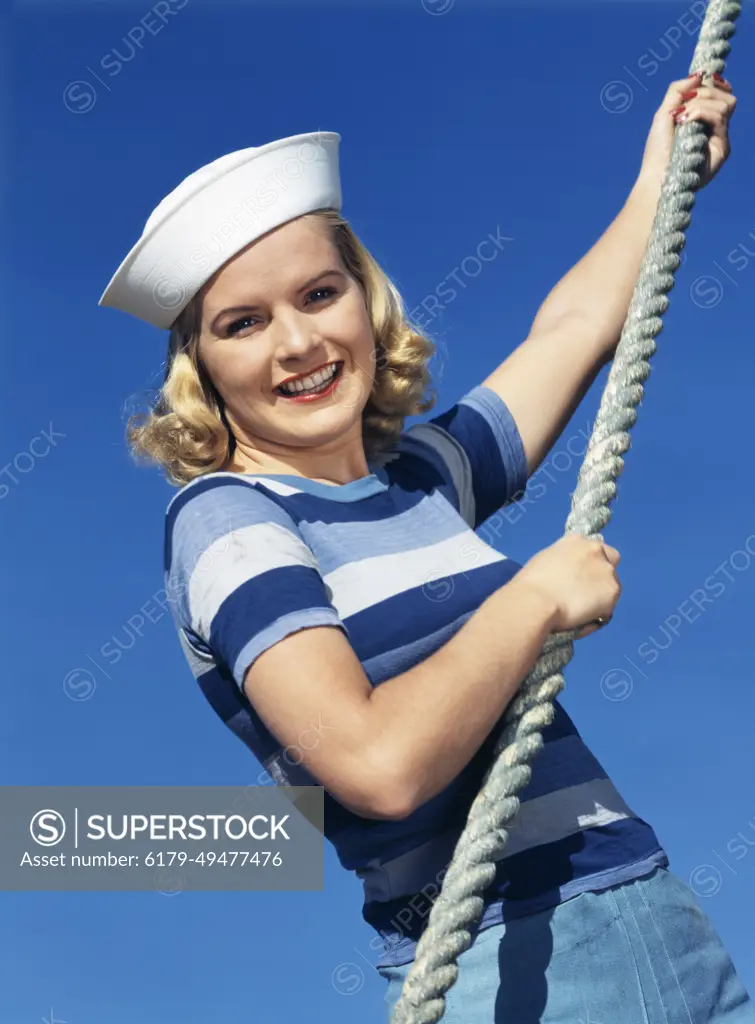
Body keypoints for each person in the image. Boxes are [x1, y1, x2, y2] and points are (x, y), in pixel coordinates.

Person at [99, 72, 752, 1022]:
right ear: (201, 367)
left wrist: (663, 176)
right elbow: (376, 766)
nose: (296, 342)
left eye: (319, 294)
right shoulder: (227, 520)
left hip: (659, 912)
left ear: (364, 301)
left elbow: (571, 329)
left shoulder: (421, 478)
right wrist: (530, 601)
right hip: (516, 971)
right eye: (243, 323)